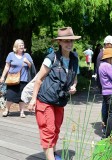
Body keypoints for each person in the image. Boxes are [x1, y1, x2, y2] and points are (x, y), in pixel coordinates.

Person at [28, 27, 80, 160]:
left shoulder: (74, 59)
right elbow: (39, 79)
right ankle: (50, 158)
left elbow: (74, 78)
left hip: (60, 101)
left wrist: (74, 86)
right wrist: (33, 99)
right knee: (48, 129)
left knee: (56, 129)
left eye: (71, 41)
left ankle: (53, 153)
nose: (69, 44)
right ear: (60, 43)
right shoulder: (51, 58)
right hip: (45, 99)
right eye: (66, 41)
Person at [0, 39, 33, 118]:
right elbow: (7, 66)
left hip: (24, 79)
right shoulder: (11, 55)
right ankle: (7, 110)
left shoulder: (27, 55)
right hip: (12, 79)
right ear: (16, 46)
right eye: (20, 45)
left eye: (23, 44)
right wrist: (2, 77)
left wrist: (27, 62)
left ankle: (22, 112)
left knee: (22, 97)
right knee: (10, 96)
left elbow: (32, 66)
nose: (22, 46)